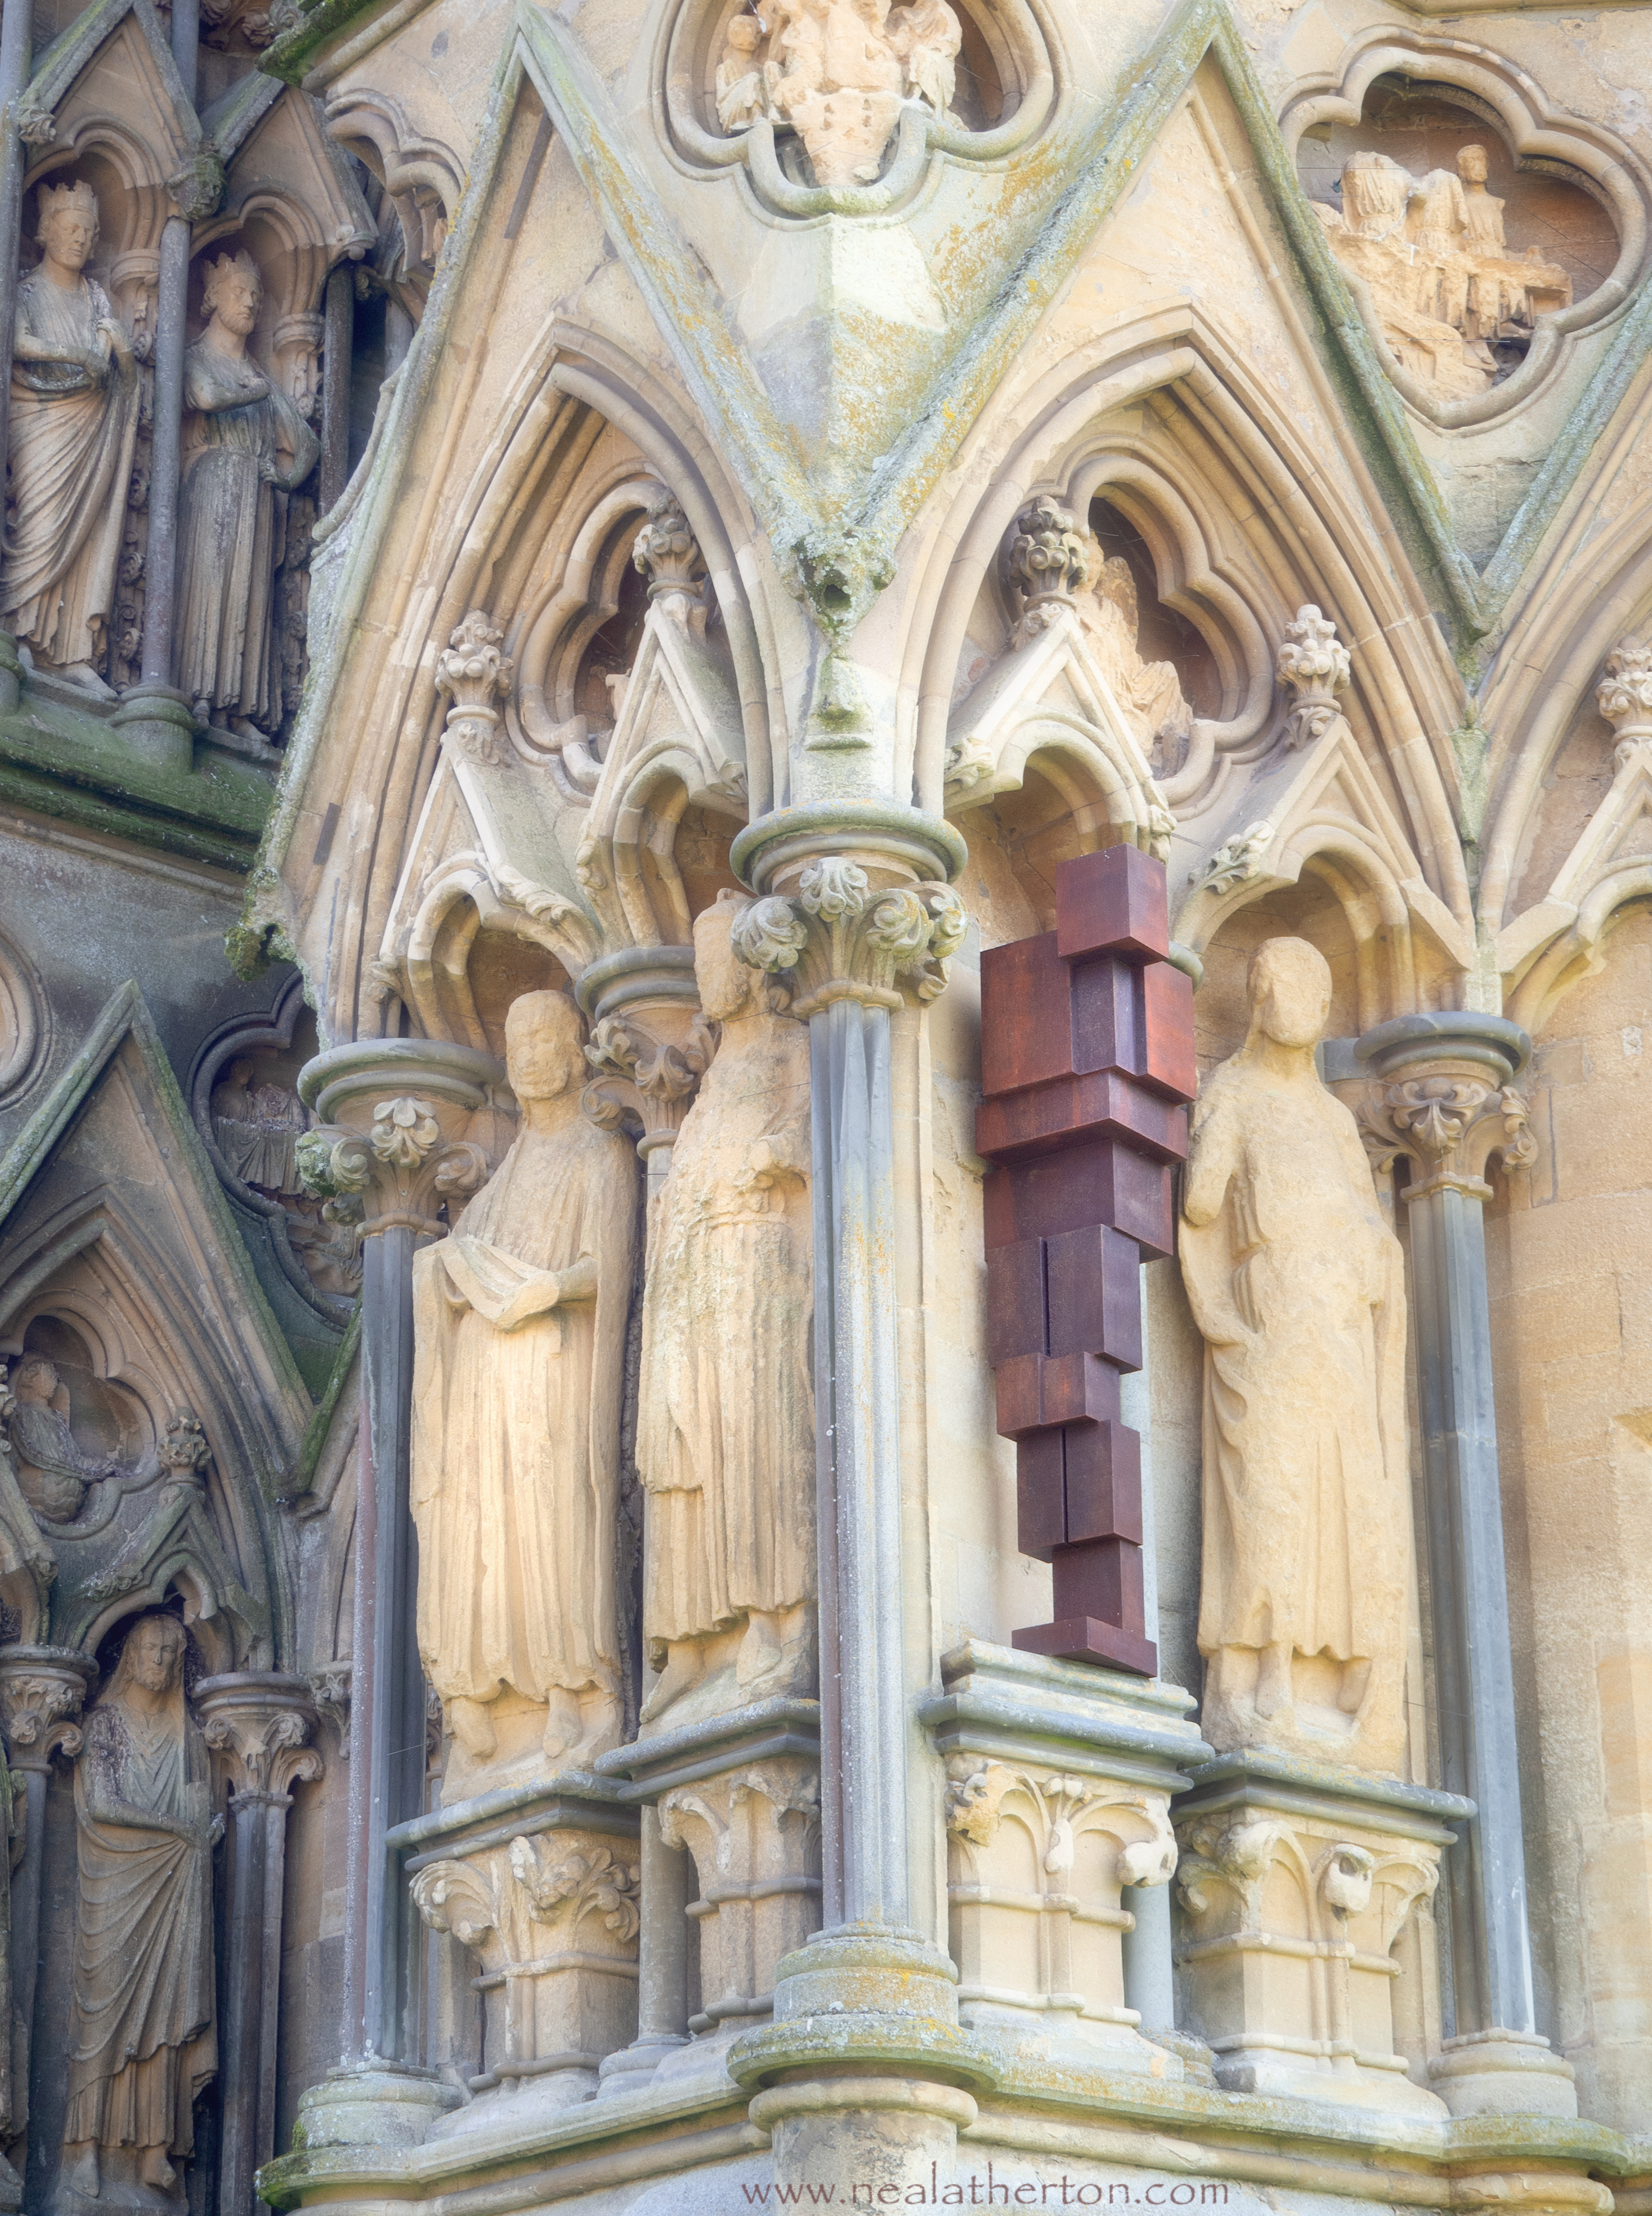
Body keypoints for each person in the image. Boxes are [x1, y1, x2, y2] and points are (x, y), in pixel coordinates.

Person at [1179, 937, 1410, 1773]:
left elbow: (1369, 1226)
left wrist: (1367, 1252)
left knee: (1340, 1500)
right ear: (1257, 1000)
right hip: (1271, 1318)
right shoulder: (1233, 1093)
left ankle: (1338, 1673)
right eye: (1283, 989)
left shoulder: (1330, 1119)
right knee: (1271, 1497)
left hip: (1337, 1330)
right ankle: (1260, 1673)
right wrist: (1218, 1314)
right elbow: (1200, 1210)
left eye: (1314, 993)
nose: (1300, 1007)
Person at [411, 991, 635, 1781]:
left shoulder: (597, 1153)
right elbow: (455, 1259)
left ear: (577, 1050)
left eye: (545, 1037)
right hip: (481, 1389)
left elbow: (609, 1269)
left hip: (548, 1378)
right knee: (480, 1532)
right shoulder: (501, 1179)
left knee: (550, 1530)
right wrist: (444, 1266)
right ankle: (476, 1681)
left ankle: (571, 1687)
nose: (530, 1054)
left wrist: (542, 1293)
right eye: (516, 1039)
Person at [638, 893, 816, 1723]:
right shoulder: (710, 1081)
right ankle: (688, 1637)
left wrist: (763, 1155)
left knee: (755, 1447)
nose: (709, 977)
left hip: (754, 1271)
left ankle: (776, 1619)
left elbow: (814, 1138)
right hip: (693, 1285)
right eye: (701, 961)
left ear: (755, 966)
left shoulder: (788, 1047)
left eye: (721, 959)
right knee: (689, 1459)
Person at [61, 1612, 218, 2201]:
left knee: (167, 2019)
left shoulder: (188, 1737)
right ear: (129, 1656)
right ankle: (84, 2152)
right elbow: (102, 1802)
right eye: (151, 1650)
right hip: (115, 1883)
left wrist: (202, 1834)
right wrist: (179, 1828)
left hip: (173, 1887)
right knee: (103, 2023)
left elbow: (200, 1811)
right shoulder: (104, 1723)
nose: (161, 1661)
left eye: (171, 1653)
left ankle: (156, 2148)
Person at [174, 251, 319, 739]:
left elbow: (308, 444)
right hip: (212, 487)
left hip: (256, 501)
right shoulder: (197, 357)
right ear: (212, 297)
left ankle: (241, 712)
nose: (251, 302)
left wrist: (283, 479)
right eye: (240, 291)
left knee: (250, 601)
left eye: (256, 295)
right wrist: (254, 394)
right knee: (210, 588)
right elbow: (206, 397)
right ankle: (196, 698)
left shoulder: (259, 375)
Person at [1, 181, 138, 687]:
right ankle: (19, 630)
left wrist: (122, 352)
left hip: (92, 425)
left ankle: (73, 650)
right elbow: (14, 341)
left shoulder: (98, 300)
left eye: (89, 231)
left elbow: (124, 378)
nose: (81, 239)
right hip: (39, 419)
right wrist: (76, 355)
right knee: (41, 522)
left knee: (88, 530)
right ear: (45, 232)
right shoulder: (27, 290)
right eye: (71, 228)